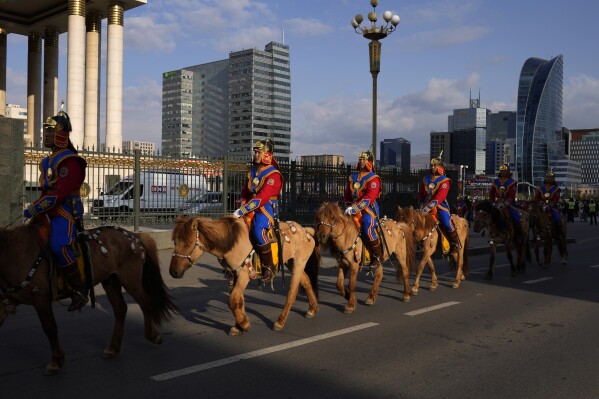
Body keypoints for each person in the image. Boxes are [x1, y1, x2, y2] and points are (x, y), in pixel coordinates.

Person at [23, 111, 88, 311]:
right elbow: (46, 191)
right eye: (45, 131)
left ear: (62, 134)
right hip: (49, 209)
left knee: (59, 245)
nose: (46, 135)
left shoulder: (70, 161)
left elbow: (60, 194)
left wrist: (35, 207)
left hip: (66, 210)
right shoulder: (46, 161)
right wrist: (34, 211)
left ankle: (78, 289)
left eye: (51, 130)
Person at [232, 139, 282, 283]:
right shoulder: (253, 171)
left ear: (267, 154)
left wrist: (244, 209)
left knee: (258, 230)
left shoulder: (274, 174)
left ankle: (269, 267)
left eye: (259, 152)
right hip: (250, 206)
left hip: (266, 208)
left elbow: (263, 197)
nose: (256, 154)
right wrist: (241, 206)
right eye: (256, 152)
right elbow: (245, 193)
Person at [343, 150, 384, 268]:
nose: (361, 161)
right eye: (360, 159)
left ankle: (378, 256)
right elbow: (347, 193)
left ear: (368, 162)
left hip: (368, 209)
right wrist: (348, 205)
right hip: (353, 207)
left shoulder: (373, 178)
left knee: (367, 227)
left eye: (363, 159)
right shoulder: (353, 177)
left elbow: (369, 197)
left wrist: (355, 208)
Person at [417, 153, 461, 254]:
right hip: (424, 204)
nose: (432, 167)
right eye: (431, 165)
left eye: (435, 165)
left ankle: (455, 243)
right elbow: (421, 193)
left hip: (439, 205)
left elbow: (440, 197)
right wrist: (420, 203)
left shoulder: (444, 180)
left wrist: (428, 208)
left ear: (440, 167)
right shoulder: (426, 179)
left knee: (446, 222)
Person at [489, 163, 523, 242]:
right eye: (501, 171)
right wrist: (492, 202)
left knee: (517, 218)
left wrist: (505, 204)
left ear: (508, 172)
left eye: (504, 171)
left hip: (509, 204)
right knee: (488, 216)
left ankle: (518, 235)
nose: (502, 172)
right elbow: (491, 194)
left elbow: (511, 196)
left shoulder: (512, 182)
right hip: (497, 203)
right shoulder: (495, 181)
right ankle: (491, 234)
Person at [534, 170, 563, 234]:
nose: (548, 179)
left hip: (552, 207)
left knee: (557, 218)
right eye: (547, 177)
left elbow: (556, 199)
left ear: (553, 179)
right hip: (542, 206)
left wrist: (550, 204)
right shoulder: (540, 188)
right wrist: (536, 202)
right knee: (534, 217)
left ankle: (558, 233)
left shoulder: (556, 189)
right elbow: (537, 198)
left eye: (550, 178)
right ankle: (536, 233)